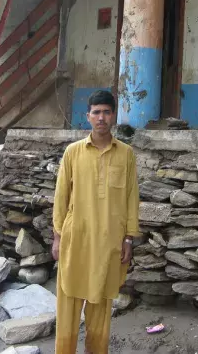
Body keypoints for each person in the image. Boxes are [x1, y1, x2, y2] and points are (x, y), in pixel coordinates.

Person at [52, 90, 140, 354]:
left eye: (106, 112)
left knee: (100, 313)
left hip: (108, 244)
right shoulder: (73, 152)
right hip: (75, 240)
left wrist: (128, 238)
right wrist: (57, 237)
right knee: (67, 311)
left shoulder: (126, 154)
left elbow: (131, 197)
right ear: (87, 116)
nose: (101, 117)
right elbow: (61, 196)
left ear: (113, 116)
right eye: (96, 112)